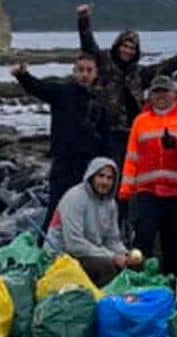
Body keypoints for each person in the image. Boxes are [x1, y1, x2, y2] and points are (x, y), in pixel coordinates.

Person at [76, 3, 177, 173]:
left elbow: (163, 68)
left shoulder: (138, 74)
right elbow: (88, 44)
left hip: (133, 133)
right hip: (105, 131)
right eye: (125, 46)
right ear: (117, 46)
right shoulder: (103, 64)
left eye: (132, 48)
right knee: (109, 172)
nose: (128, 51)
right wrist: (83, 18)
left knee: (132, 173)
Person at [12, 54, 108, 228]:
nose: (84, 75)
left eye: (89, 71)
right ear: (74, 72)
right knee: (57, 209)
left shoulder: (100, 101)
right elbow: (39, 88)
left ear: (96, 74)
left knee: (87, 211)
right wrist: (22, 75)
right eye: (80, 70)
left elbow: (105, 133)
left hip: (90, 165)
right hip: (64, 162)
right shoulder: (62, 92)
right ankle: (46, 248)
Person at [118, 75, 177, 277]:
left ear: (175, 94)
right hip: (147, 193)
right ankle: (138, 283)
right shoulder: (141, 121)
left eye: (165, 91)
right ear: (150, 96)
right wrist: (125, 191)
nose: (161, 95)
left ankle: (169, 286)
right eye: (156, 91)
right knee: (142, 241)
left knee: (173, 245)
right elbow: (131, 157)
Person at [45, 157, 140, 287]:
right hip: (63, 256)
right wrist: (112, 257)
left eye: (109, 178)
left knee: (134, 266)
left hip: (92, 253)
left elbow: (112, 239)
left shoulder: (110, 204)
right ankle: (104, 302)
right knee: (106, 267)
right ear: (91, 176)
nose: (105, 182)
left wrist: (125, 255)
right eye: (101, 176)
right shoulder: (75, 198)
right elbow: (74, 244)